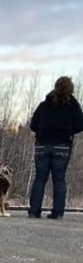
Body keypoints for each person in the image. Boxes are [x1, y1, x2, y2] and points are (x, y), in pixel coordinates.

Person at [28, 76, 83, 219]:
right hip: (63, 146)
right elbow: (80, 125)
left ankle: (34, 211)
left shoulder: (44, 104)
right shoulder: (74, 106)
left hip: (42, 145)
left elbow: (33, 125)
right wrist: (68, 131)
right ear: (71, 88)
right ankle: (58, 212)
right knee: (59, 179)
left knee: (40, 178)